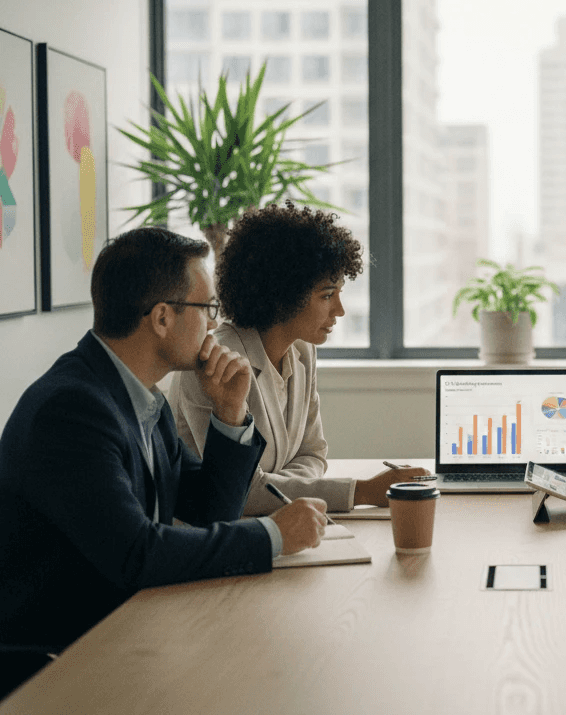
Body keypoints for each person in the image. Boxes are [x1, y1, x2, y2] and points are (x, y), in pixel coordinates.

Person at [0, 228, 327, 653]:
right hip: (55, 661)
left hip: (121, 634)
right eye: (208, 307)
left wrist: (231, 413)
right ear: (161, 318)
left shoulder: (141, 398)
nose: (214, 322)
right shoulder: (72, 409)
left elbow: (211, 511)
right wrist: (272, 535)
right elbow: (137, 553)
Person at [170, 202, 426, 516]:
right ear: (283, 294)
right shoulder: (215, 364)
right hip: (216, 541)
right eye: (327, 295)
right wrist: (362, 491)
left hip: (279, 525)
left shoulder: (302, 351)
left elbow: (313, 454)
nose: (340, 310)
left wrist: (272, 489)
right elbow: (237, 491)